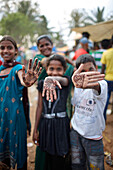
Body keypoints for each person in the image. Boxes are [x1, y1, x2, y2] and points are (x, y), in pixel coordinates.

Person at [0, 35, 41, 170]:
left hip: (15, 117)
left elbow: (23, 79)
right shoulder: (0, 70)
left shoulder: (18, 68)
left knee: (18, 150)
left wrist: (26, 81)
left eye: (9, 48)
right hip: (1, 117)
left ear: (16, 51)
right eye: (2, 48)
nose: (6, 51)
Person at [33, 54, 71, 170]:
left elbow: (63, 80)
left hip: (60, 125)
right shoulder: (41, 84)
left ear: (64, 70)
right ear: (46, 69)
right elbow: (40, 107)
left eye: (59, 69)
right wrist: (35, 129)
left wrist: (51, 79)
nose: (54, 72)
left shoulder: (66, 82)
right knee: (46, 155)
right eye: (51, 69)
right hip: (45, 124)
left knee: (59, 156)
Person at [70, 54, 107, 169]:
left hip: (93, 137)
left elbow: (97, 87)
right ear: (78, 72)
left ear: (96, 68)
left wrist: (90, 86)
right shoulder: (77, 85)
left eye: (91, 69)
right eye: (83, 71)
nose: (88, 74)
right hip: (75, 133)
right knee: (77, 165)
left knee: (95, 166)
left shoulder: (102, 84)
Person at [101, 35, 113, 121]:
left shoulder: (106, 53)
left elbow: (103, 68)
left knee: (106, 100)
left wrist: (101, 78)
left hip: (108, 79)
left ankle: (103, 119)